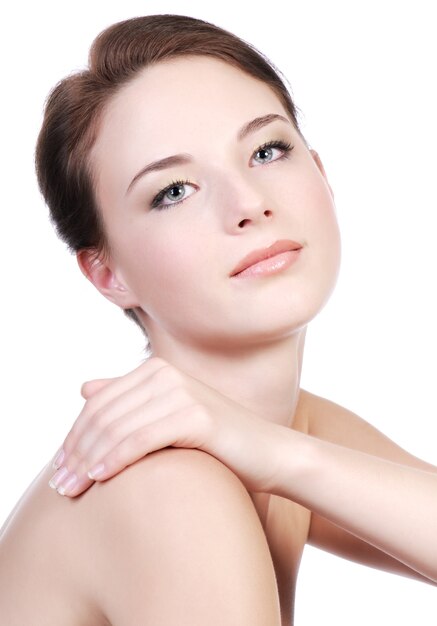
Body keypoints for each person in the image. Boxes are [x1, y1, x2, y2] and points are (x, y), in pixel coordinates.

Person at [0, 13, 436, 625]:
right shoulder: (167, 485)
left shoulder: (284, 430)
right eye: (173, 190)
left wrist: (284, 458)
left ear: (322, 172)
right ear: (106, 273)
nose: (250, 204)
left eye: (267, 150)